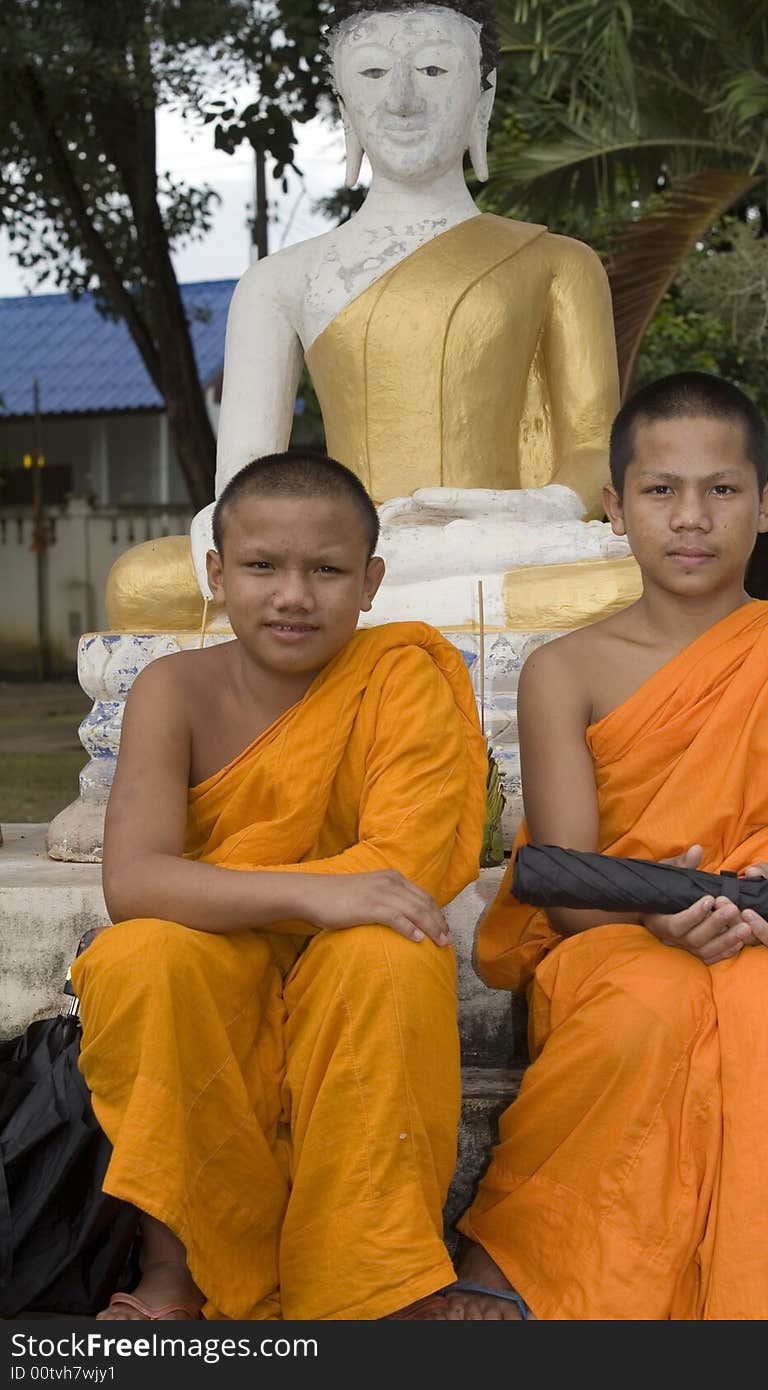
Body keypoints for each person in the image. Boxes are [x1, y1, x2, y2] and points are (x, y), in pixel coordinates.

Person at [416, 371, 768, 1320]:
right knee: (647, 1013)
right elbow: (565, 882)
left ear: (767, 504)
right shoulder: (567, 670)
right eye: (662, 491)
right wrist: (663, 913)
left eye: (722, 489)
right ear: (615, 508)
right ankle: (526, 1254)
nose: (692, 518)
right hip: (615, 938)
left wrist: (766, 912)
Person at [70, 448, 488, 1321]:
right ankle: (179, 1272)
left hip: (347, 949)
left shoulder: (401, 674)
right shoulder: (173, 688)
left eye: (326, 570)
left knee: (390, 955)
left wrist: (329, 903)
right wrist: (310, 892)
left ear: (371, 581)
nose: (293, 595)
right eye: (262, 566)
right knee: (140, 958)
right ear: (217, 575)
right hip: (219, 946)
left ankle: (374, 1284)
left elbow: (401, 872)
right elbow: (134, 880)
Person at [105, 0, 623, 635]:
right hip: (337, 553)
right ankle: (384, 594)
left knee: (628, 583)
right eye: (374, 73)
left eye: (434, 69)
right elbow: (243, 493)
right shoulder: (281, 279)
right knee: (137, 584)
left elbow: (596, 447)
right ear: (344, 103)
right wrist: (302, 546)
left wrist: (530, 513)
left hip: (499, 537)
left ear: (482, 97)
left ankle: (371, 602)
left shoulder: (557, 262)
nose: (403, 99)